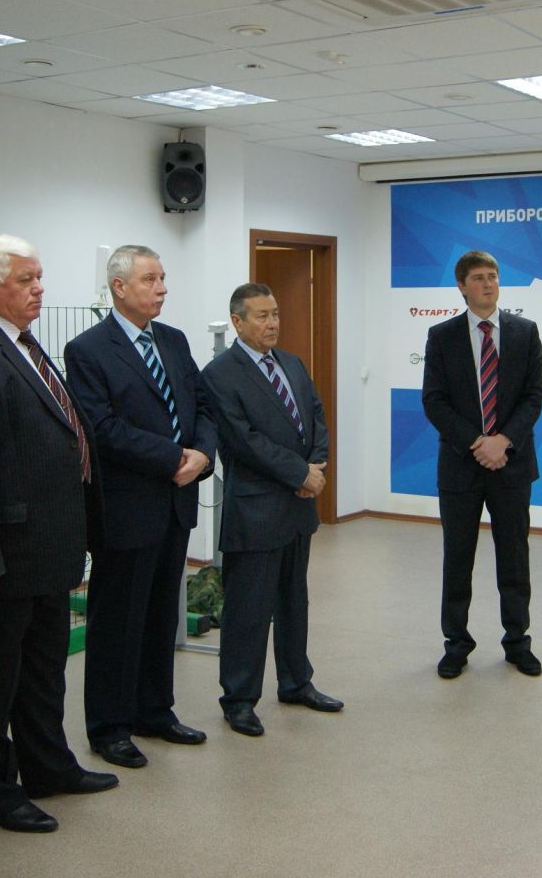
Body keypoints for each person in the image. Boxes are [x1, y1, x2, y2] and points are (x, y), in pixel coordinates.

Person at [0, 235, 116, 834]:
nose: (39, 289)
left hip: (49, 548)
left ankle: (48, 766)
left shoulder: (24, 344)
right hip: (2, 556)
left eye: (39, 277)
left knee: (42, 671)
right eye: (27, 280)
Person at [65, 244, 217, 769]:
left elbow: (202, 405)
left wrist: (201, 455)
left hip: (176, 501)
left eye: (163, 278)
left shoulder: (173, 340)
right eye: (150, 279)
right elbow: (102, 428)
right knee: (118, 621)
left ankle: (155, 710)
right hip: (128, 508)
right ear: (119, 287)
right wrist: (174, 458)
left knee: (159, 615)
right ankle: (109, 727)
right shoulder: (88, 350)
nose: (162, 288)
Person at [200, 283, 342, 737]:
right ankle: (239, 699)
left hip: (298, 507)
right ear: (237, 322)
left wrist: (315, 466)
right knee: (249, 609)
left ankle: (296, 682)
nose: (272, 323)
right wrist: (299, 473)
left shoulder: (292, 363)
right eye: (261, 316)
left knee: (294, 601)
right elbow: (242, 440)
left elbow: (316, 416)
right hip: (256, 510)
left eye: (275, 313)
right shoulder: (220, 374)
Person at [421, 250, 542, 679]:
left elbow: (534, 396)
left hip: (512, 464)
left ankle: (517, 642)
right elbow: (434, 401)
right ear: (461, 286)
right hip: (461, 465)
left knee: (514, 559)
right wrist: (477, 443)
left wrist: (503, 442)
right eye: (478, 277)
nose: (488, 283)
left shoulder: (525, 332)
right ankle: (456, 644)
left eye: (493, 276)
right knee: (458, 559)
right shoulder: (442, 336)